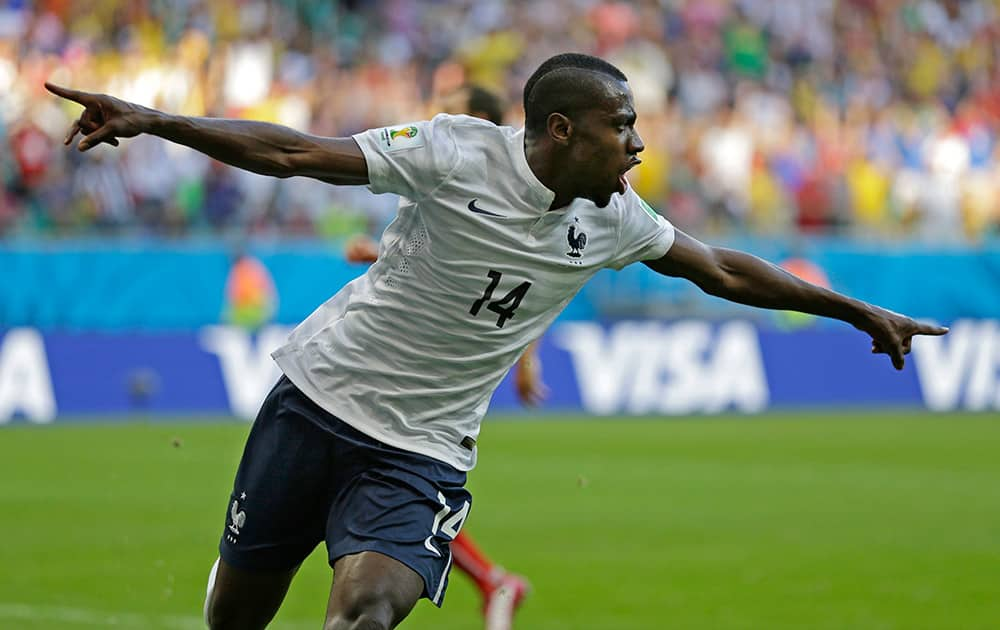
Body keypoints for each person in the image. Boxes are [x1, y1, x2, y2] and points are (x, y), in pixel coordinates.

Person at [47, 52, 948, 630]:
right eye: (620, 125)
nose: (637, 144)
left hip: (422, 453)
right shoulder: (453, 152)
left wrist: (858, 309)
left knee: (364, 617)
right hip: (317, 401)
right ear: (562, 130)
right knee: (235, 617)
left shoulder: (615, 219)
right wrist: (157, 119)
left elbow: (720, 268)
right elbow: (294, 155)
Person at [345, 84, 534, 630]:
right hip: (408, 363)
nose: (443, 120)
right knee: (384, 486)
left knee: (400, 485)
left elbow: (516, 285)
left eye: (460, 113)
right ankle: (492, 580)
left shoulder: (504, 192)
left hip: (440, 380)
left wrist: (527, 361)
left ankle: (493, 579)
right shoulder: (448, 177)